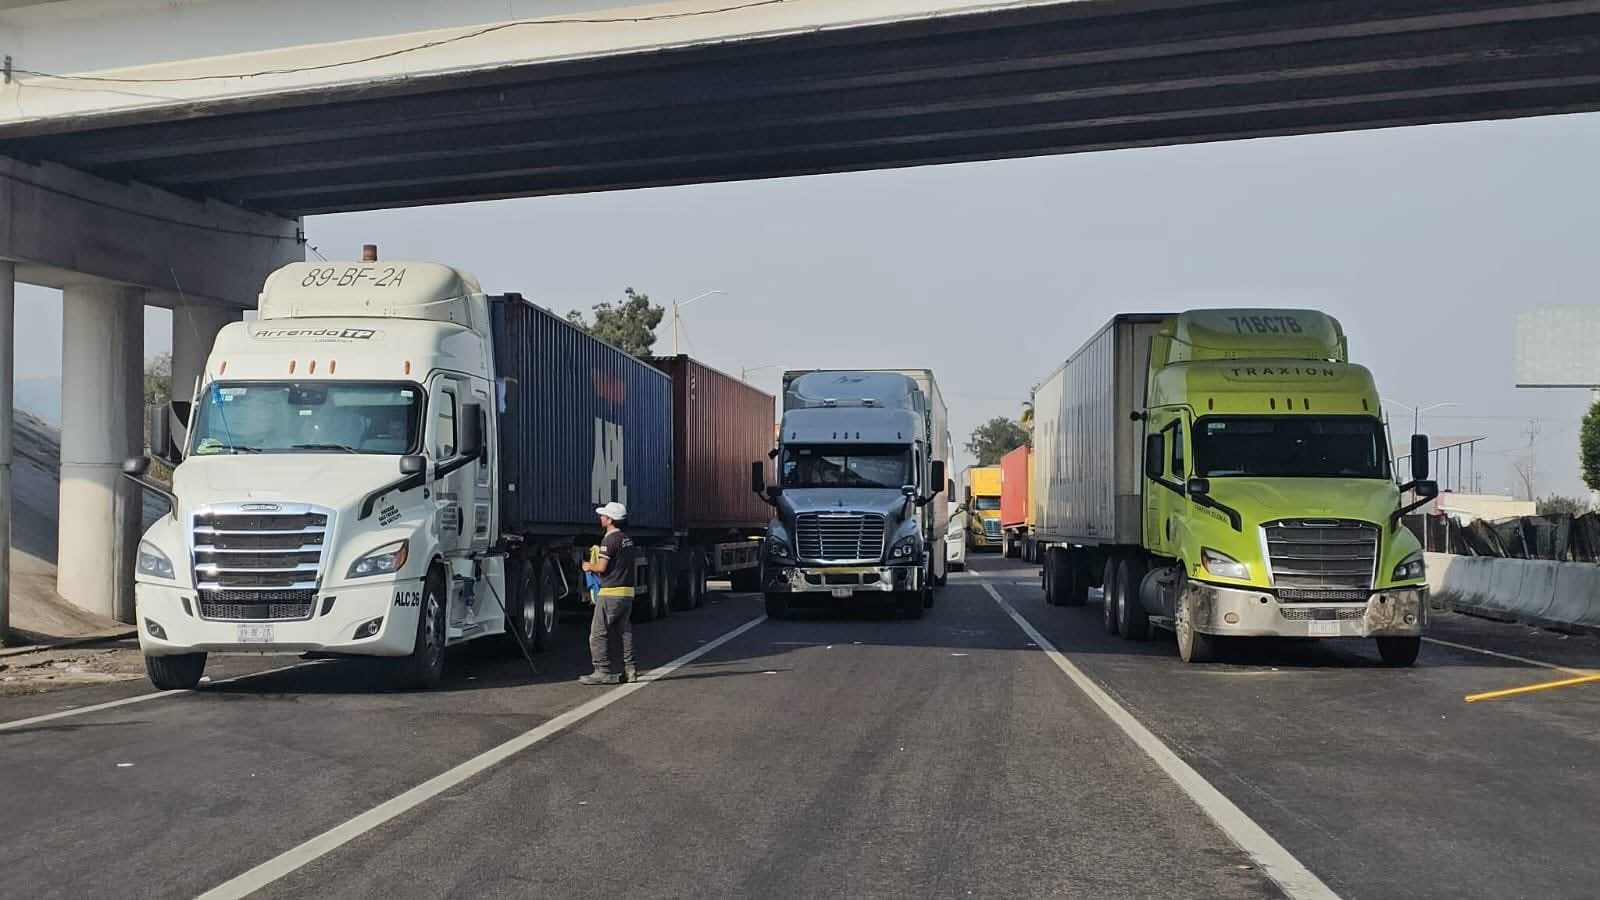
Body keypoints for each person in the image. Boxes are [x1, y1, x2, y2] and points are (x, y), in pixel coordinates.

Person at [579, 501, 637, 685]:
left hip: (610, 592)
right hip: (627, 593)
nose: (601, 518)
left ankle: (601, 670)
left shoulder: (609, 540)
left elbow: (602, 567)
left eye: (603, 515)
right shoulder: (627, 540)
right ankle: (631, 669)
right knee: (625, 632)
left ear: (611, 520)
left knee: (598, 633)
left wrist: (588, 566)